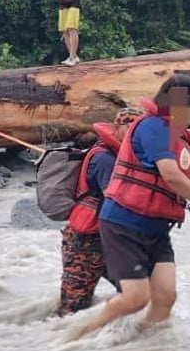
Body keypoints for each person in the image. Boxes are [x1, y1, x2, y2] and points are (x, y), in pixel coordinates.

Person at [74, 75, 190, 339]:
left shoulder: (171, 131)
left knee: (166, 297)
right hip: (125, 224)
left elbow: (185, 163)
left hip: (156, 229)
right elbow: (170, 174)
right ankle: (76, 337)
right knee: (136, 298)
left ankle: (139, 345)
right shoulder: (153, 127)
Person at [56, 108, 141, 316]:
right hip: (86, 244)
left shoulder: (121, 156)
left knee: (140, 297)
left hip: (111, 242)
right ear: (118, 128)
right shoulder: (105, 160)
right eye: (131, 129)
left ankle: (124, 335)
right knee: (71, 310)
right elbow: (117, 203)